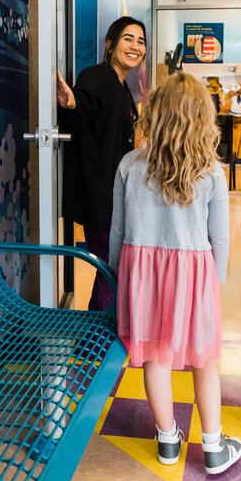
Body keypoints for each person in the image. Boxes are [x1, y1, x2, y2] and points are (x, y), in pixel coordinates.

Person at [110, 72, 241, 475]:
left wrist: (120, 275)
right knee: (205, 362)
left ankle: (168, 439)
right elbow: (219, 236)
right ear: (203, 117)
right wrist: (214, 283)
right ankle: (215, 446)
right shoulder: (211, 172)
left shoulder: (130, 165)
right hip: (193, 274)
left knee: (154, 355)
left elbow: (117, 229)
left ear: (154, 114)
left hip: (143, 274)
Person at [56, 16, 147, 310]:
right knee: (113, 268)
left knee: (112, 269)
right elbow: (82, 113)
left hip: (113, 192)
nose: (135, 46)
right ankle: (96, 341)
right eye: (128, 39)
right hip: (100, 194)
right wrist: (71, 105)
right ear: (110, 44)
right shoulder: (98, 76)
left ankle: (97, 340)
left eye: (141, 41)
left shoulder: (120, 85)